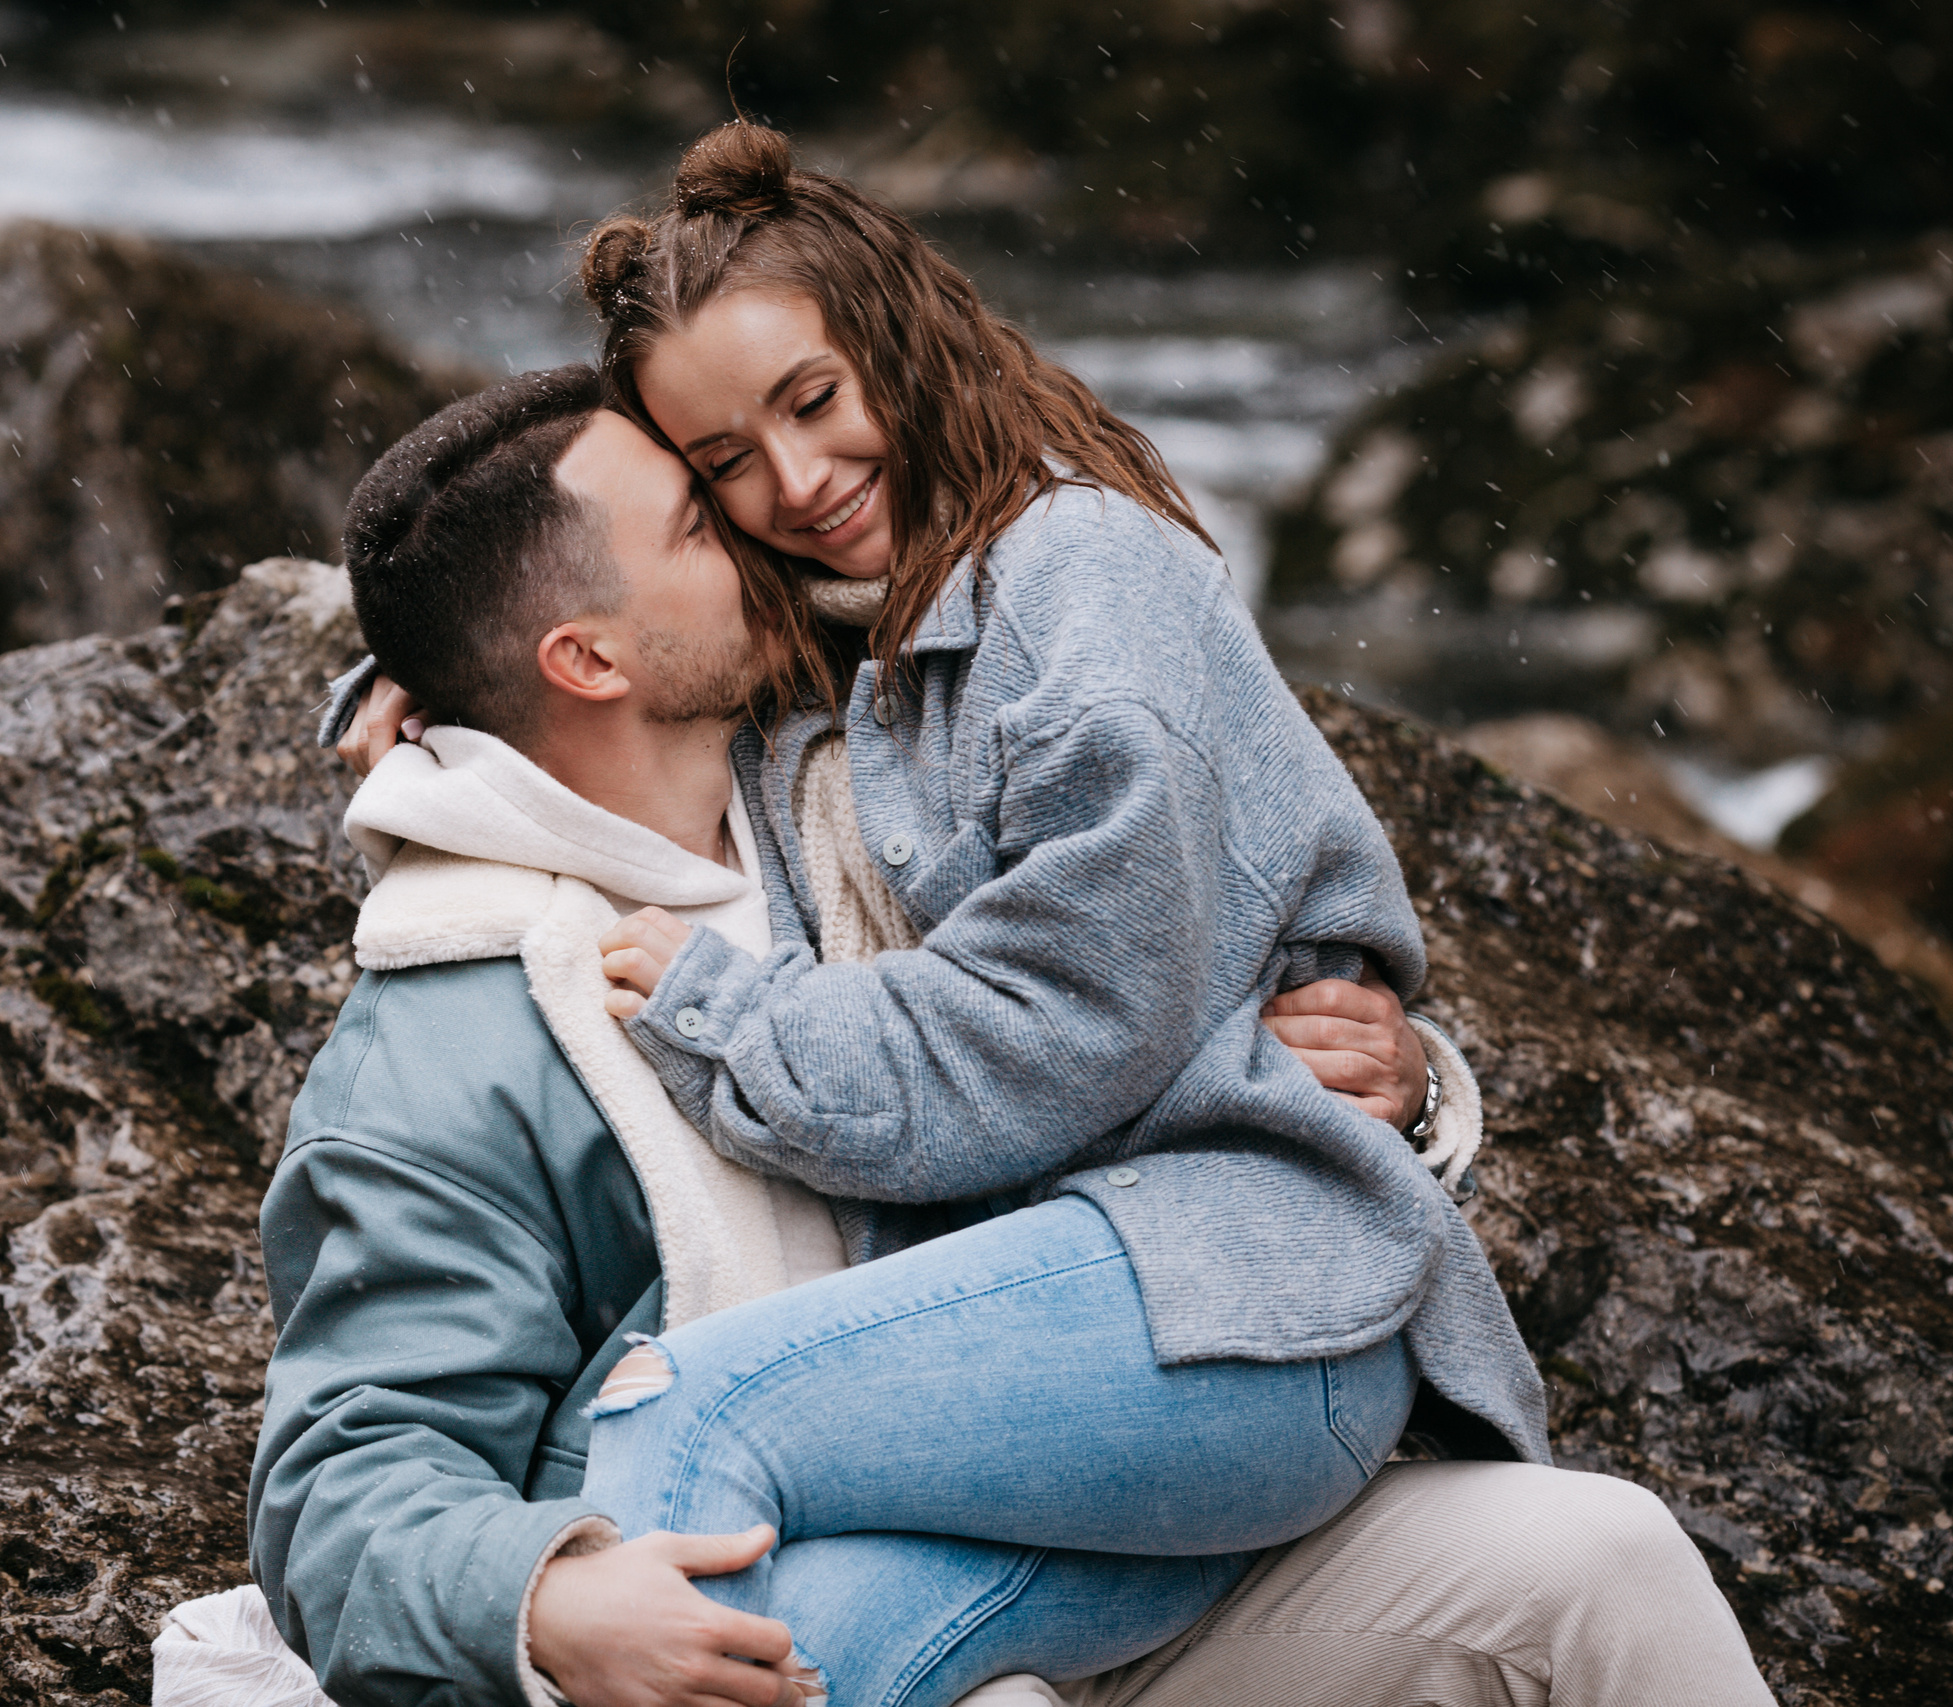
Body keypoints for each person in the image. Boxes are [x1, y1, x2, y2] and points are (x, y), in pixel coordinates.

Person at [211, 369, 1776, 1707]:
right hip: (823, 1614)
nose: (762, 523)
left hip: (1135, 1516)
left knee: (1604, 1565)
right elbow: (346, 1475)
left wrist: (1404, 1077)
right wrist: (544, 1602)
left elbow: (1136, 925)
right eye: (700, 519)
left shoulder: (882, 755)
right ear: (590, 660)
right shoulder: (458, 1031)